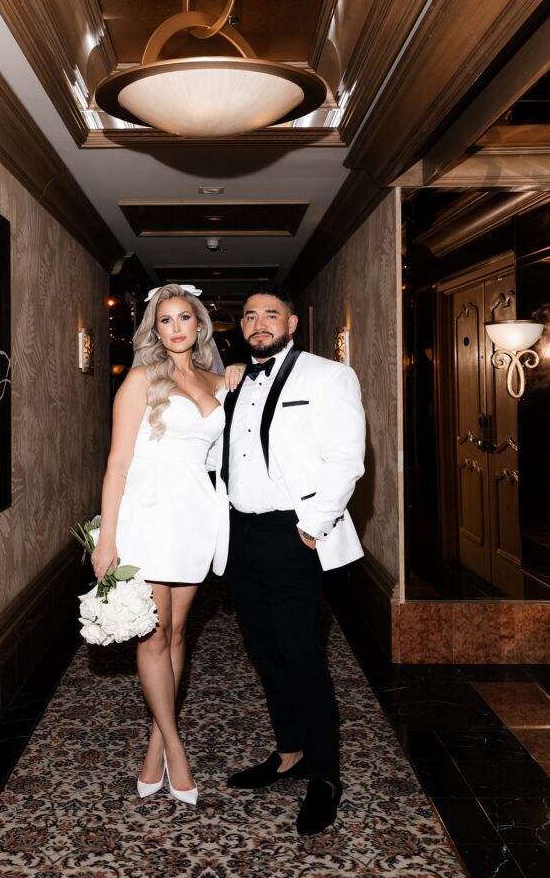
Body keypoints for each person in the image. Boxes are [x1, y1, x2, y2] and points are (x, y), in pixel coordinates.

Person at [219, 282, 366, 836]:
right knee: (265, 650)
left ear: (293, 323)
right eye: (250, 315)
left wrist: (310, 529)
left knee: (302, 655)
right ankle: (289, 753)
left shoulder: (329, 376)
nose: (259, 323)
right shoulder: (233, 381)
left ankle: (325, 775)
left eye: (270, 315)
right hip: (239, 536)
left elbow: (347, 459)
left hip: (293, 534)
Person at [92, 283, 243, 806]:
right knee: (152, 636)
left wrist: (236, 379)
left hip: (197, 515)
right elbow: (116, 464)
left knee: (178, 632)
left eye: (184, 319)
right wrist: (106, 539)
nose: (176, 328)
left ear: (199, 326)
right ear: (153, 331)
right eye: (165, 321)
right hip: (150, 514)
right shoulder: (139, 380)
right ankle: (176, 750)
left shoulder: (221, 381)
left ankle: (155, 746)